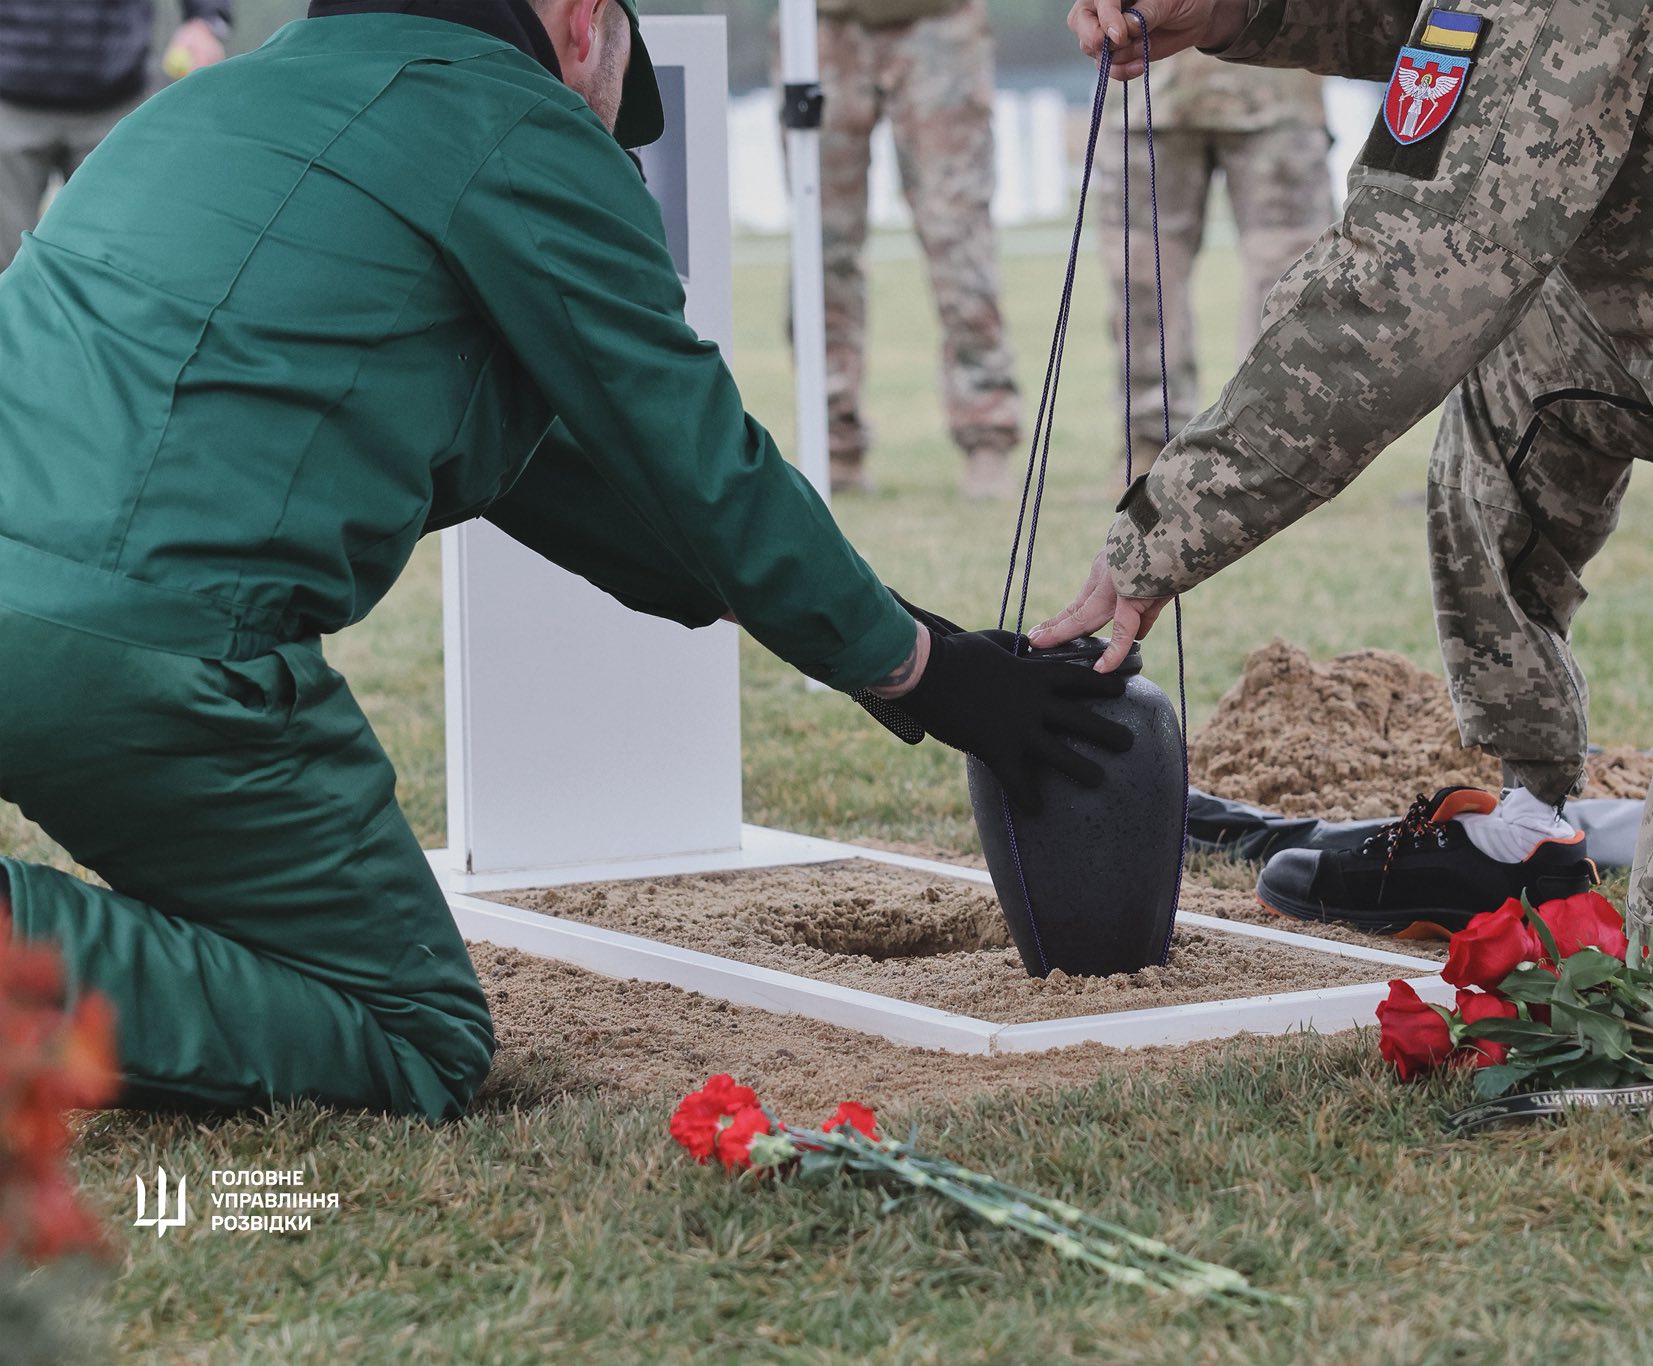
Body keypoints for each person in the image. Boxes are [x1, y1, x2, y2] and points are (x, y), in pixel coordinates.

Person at [0, 0, 1131, 1121]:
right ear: (581, 26)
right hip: (154, 650)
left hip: (59, 608)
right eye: (609, 121)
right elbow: (698, 460)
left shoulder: (214, 101)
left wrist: (905, 637)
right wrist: (927, 676)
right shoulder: (519, 126)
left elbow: (632, 509)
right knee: (416, 1031)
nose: (611, 151)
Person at [1041, 0, 1653, 1010]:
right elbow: (1469, 31)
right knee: (1521, 353)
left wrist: (1155, 537)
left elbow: (1397, 294)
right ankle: (1527, 822)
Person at [813, 0, 1021, 498]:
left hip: (939, 22)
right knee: (823, 244)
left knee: (957, 237)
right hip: (823, 26)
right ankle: (832, 438)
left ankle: (986, 433)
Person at [1098, 49, 1332, 477]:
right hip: (1148, 89)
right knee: (1142, 278)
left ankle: (1271, 444)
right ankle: (1150, 446)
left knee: (1292, 279)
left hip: (1277, 77)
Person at [0, 0, 230, 270]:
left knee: (116, 268)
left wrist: (204, 22)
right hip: (10, 103)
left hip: (117, 101)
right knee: (5, 267)